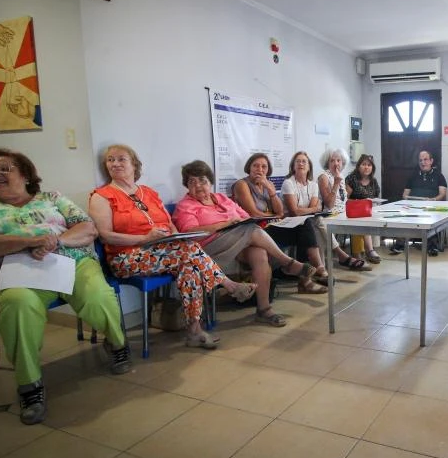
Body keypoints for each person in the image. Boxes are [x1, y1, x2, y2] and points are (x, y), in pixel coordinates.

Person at [0, 148, 131, 425]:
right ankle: (30, 385)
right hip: (17, 274)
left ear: (25, 175)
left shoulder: (53, 198)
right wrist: (26, 242)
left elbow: (87, 229)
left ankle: (118, 343)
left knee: (97, 295)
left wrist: (55, 241)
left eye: (4, 169)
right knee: (16, 306)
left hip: (71, 262)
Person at [89, 144, 257, 350]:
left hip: (165, 251)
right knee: (188, 253)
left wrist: (177, 236)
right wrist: (144, 238)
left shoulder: (149, 193)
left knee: (189, 264)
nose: (115, 163)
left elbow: (170, 224)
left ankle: (195, 330)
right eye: (110, 160)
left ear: (134, 164)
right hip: (126, 257)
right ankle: (228, 286)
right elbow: (105, 236)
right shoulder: (102, 196)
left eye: (121, 159)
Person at [172, 160, 321, 327]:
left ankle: (264, 310)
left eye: (203, 180)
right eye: (192, 182)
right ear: (186, 185)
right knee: (250, 230)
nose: (198, 185)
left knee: (259, 253)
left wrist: (237, 223)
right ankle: (287, 263)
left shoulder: (220, 198)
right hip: (207, 250)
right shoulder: (185, 206)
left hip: (236, 242)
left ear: (210, 182)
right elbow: (190, 232)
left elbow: (245, 216)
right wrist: (224, 225)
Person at [232, 153, 328, 293]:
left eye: (264, 166)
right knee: (303, 228)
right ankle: (313, 272)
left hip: (269, 227)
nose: (260, 169)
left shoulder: (267, 184)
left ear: (268, 170)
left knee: (304, 225)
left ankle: (306, 279)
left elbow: (280, 211)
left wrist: (271, 191)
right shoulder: (242, 184)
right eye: (256, 166)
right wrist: (273, 215)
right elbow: (254, 214)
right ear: (249, 168)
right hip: (254, 231)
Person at [314, 148, 371, 271]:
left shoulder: (341, 176)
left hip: (342, 214)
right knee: (319, 225)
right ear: (327, 163)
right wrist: (335, 183)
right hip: (329, 214)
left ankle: (368, 251)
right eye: (332, 161)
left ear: (342, 163)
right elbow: (329, 204)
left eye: (338, 160)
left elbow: (343, 201)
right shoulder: (323, 177)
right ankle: (340, 257)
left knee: (367, 215)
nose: (336, 163)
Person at [390, 150, 448, 256]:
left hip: (432, 206)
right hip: (413, 205)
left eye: (425, 160)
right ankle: (400, 244)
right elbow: (404, 195)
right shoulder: (413, 176)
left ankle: (432, 246)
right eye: (420, 160)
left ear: (431, 161)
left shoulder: (439, 175)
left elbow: (443, 194)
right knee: (402, 213)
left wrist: (433, 200)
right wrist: (410, 199)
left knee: (431, 215)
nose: (422, 162)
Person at [345, 153, 382, 264]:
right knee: (360, 220)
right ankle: (364, 251)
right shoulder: (351, 179)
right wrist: (359, 202)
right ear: (358, 166)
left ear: (372, 167)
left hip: (368, 211)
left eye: (369, 165)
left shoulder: (373, 181)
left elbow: (376, 198)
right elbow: (344, 200)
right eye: (363, 164)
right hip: (352, 211)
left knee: (367, 218)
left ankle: (368, 251)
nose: (366, 167)